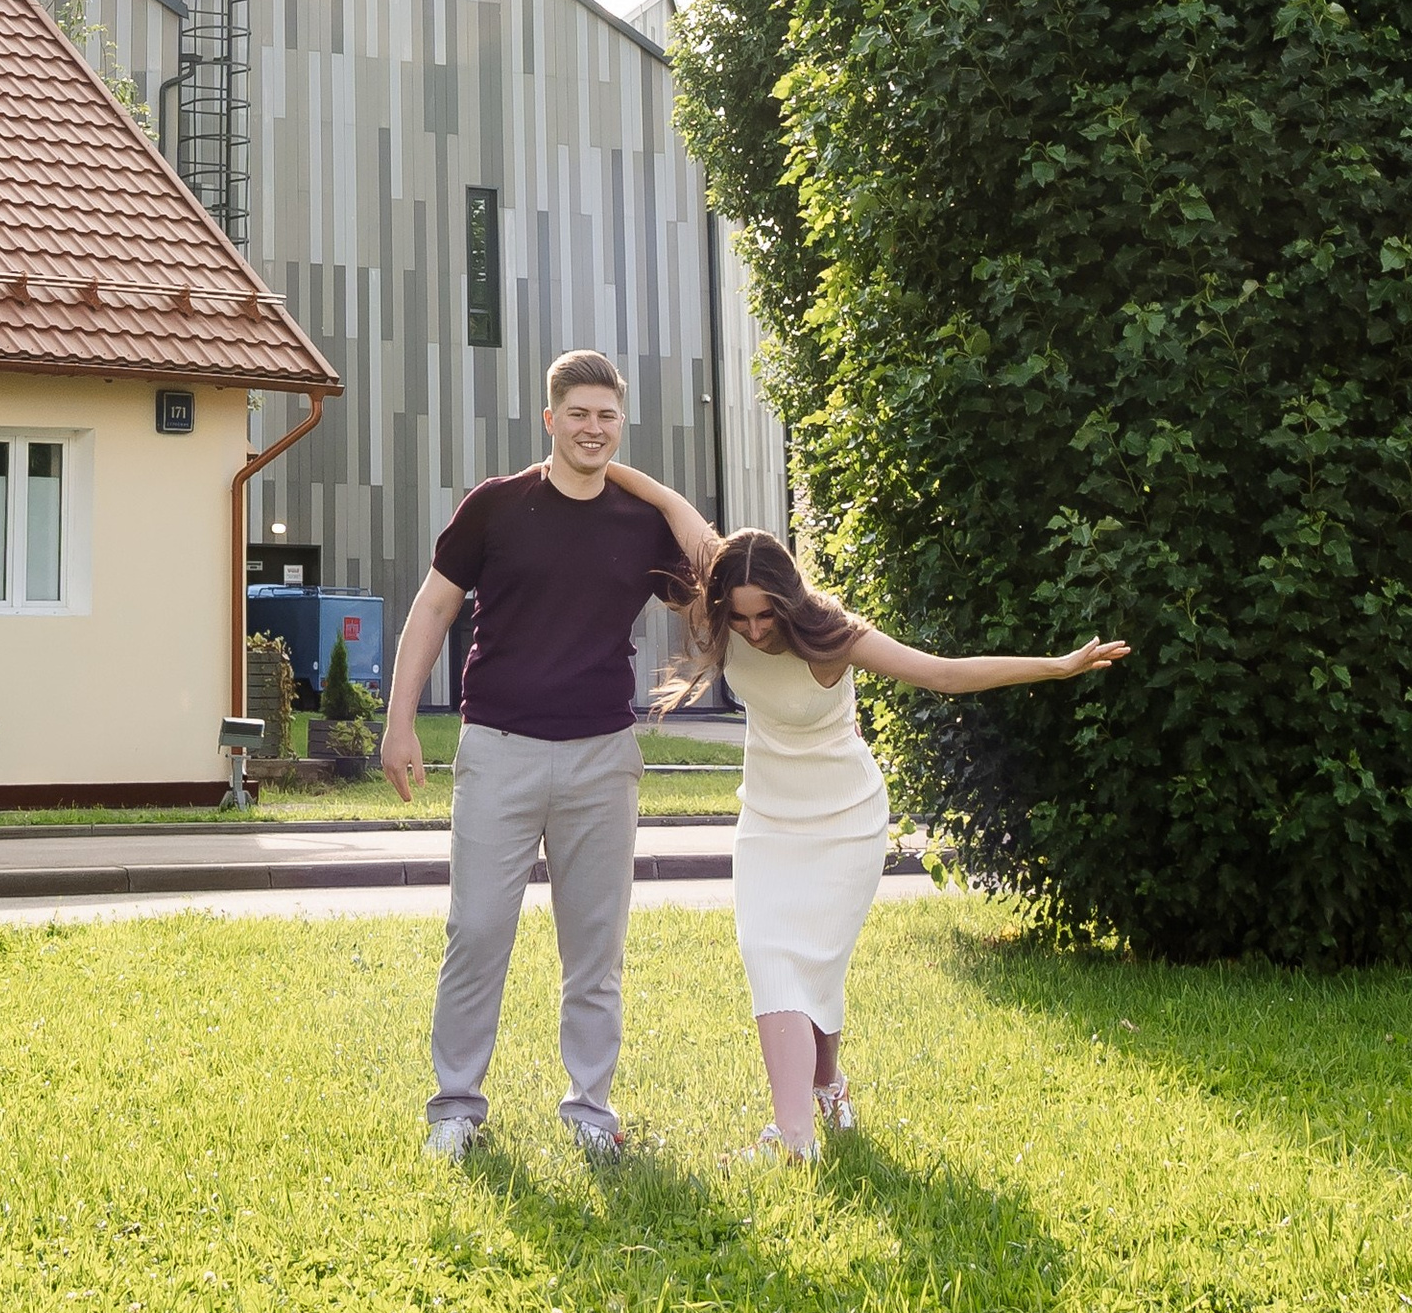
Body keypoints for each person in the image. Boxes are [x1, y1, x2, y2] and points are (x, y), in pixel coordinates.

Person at [607, 478, 1127, 1159]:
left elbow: (943, 674)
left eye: (766, 616)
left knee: (814, 966)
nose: (754, 631)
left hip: (846, 820)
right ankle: (807, 1117)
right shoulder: (724, 587)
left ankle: (811, 1110)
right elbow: (674, 507)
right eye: (740, 618)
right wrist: (589, 461)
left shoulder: (835, 635)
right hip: (767, 819)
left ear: (789, 600)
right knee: (769, 957)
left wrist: (1057, 667)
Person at [380, 350, 717, 1160]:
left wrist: (655, 491)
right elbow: (432, 609)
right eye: (578, 414)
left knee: (595, 948)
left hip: (603, 756)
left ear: (621, 424)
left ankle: (590, 1110)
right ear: (549, 419)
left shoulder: (641, 525)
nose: (592, 429)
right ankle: (456, 1109)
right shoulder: (495, 507)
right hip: (499, 750)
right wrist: (398, 722)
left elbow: (713, 574)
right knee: (476, 931)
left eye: (607, 416)